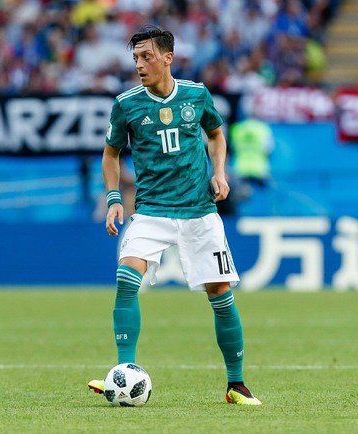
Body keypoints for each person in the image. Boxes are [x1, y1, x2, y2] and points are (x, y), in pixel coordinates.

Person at [87, 26, 261, 405]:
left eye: (146, 56)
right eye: (135, 58)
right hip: (150, 211)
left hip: (199, 212)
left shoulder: (196, 95)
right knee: (125, 279)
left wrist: (219, 172)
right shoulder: (126, 104)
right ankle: (122, 373)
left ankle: (236, 384)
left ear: (168, 57)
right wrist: (115, 197)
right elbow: (111, 153)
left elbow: (216, 134)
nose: (139, 65)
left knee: (220, 294)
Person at [229, 116, 274, 188]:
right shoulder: (263, 129)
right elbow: (269, 150)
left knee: (241, 195)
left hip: (241, 169)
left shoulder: (237, 128)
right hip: (259, 170)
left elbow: (232, 148)